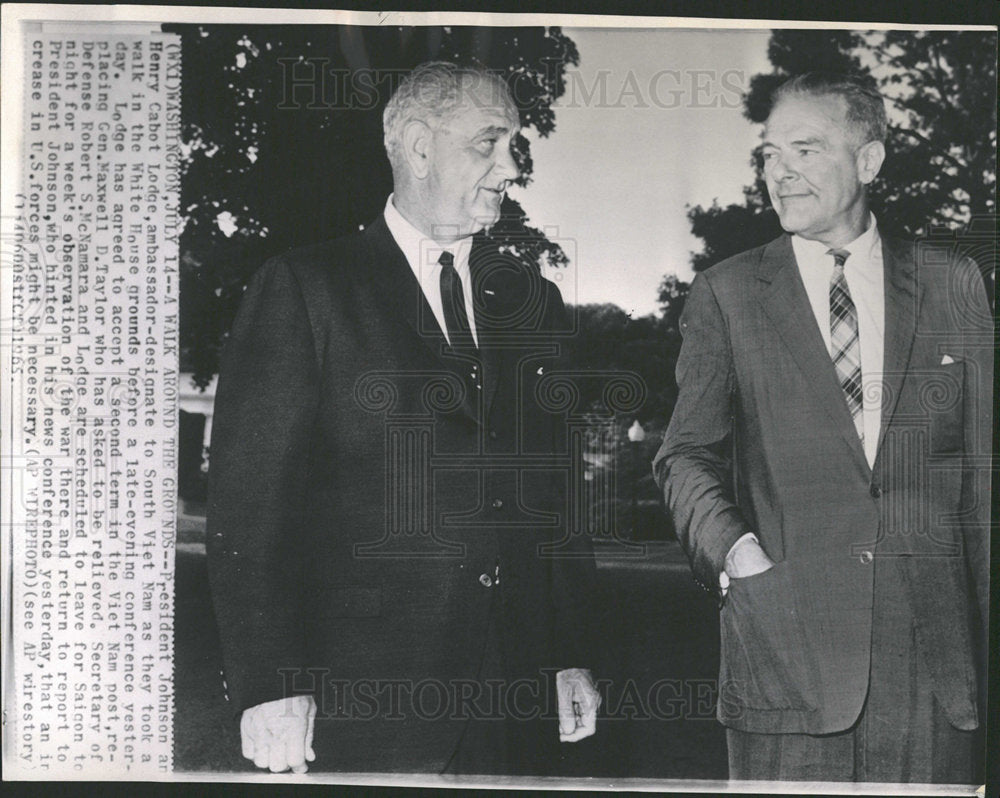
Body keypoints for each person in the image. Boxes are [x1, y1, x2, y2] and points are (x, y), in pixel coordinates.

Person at [206, 61, 600, 776]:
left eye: (513, 144)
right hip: (360, 705)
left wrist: (570, 651)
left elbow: (557, 497)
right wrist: (270, 685)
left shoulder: (534, 303)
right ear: (419, 147)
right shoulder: (306, 288)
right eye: (490, 142)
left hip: (514, 701)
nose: (512, 166)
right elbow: (250, 508)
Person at [653, 72, 991, 783]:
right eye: (769, 154)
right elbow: (686, 457)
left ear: (868, 161)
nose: (779, 173)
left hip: (935, 675)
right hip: (786, 658)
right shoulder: (729, 293)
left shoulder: (953, 282)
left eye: (804, 150)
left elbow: (985, 478)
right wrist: (739, 556)